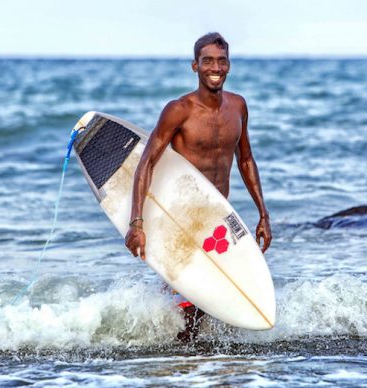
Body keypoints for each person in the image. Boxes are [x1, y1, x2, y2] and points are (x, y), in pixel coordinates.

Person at [124, 33, 272, 342]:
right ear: (195, 66)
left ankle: (187, 357)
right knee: (192, 301)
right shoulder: (179, 110)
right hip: (180, 216)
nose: (215, 67)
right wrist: (136, 222)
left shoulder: (238, 106)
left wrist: (263, 214)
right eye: (207, 61)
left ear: (228, 65)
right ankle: (176, 353)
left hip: (216, 214)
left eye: (221, 61)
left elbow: (246, 160)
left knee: (209, 297)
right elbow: (147, 163)